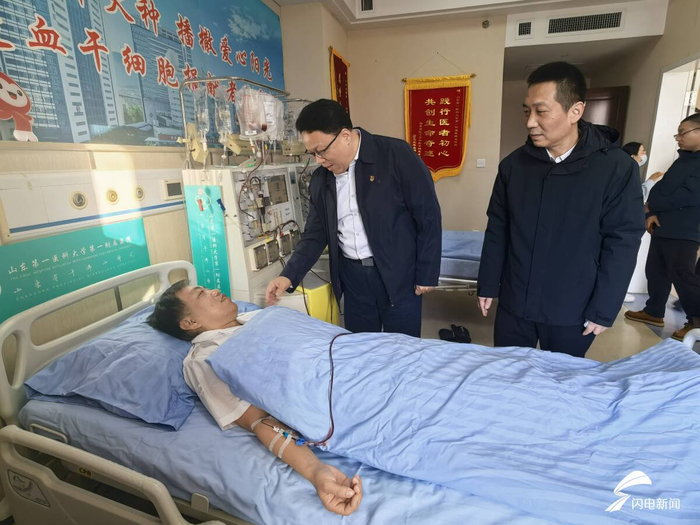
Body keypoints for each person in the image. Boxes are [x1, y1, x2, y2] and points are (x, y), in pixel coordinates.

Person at [147, 281, 363, 516]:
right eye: (202, 294)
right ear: (190, 323)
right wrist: (315, 471)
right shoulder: (205, 358)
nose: (214, 290)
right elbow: (258, 420)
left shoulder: (258, 316)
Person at [477, 62, 645, 358]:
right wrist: (488, 284)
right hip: (516, 302)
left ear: (575, 111)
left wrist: (604, 307)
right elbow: (498, 228)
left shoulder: (615, 168)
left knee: (563, 378)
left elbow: (623, 240)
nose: (530, 122)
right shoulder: (513, 166)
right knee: (507, 372)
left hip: (573, 307)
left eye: (541, 111)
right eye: (526, 111)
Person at [265, 99, 442, 337]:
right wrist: (288, 275)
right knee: (358, 347)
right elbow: (315, 234)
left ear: (345, 136)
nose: (318, 160)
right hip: (354, 280)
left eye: (321, 151)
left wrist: (427, 272)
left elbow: (428, 215)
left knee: (402, 348)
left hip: (398, 275)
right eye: (312, 153)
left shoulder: (395, 155)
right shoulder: (321, 179)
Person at [624, 113, 700, 340]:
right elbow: (661, 187)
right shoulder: (683, 160)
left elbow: (689, 195)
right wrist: (651, 212)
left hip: (685, 229)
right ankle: (654, 311)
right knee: (656, 270)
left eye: (683, 133)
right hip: (663, 225)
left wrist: (652, 205)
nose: (678, 137)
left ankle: (696, 321)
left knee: (683, 276)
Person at [621, 141, 665, 303]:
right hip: (625, 222)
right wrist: (651, 181)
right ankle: (620, 291)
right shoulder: (628, 170)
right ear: (633, 156)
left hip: (626, 221)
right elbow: (637, 196)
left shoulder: (628, 169)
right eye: (642, 151)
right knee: (623, 257)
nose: (644, 154)